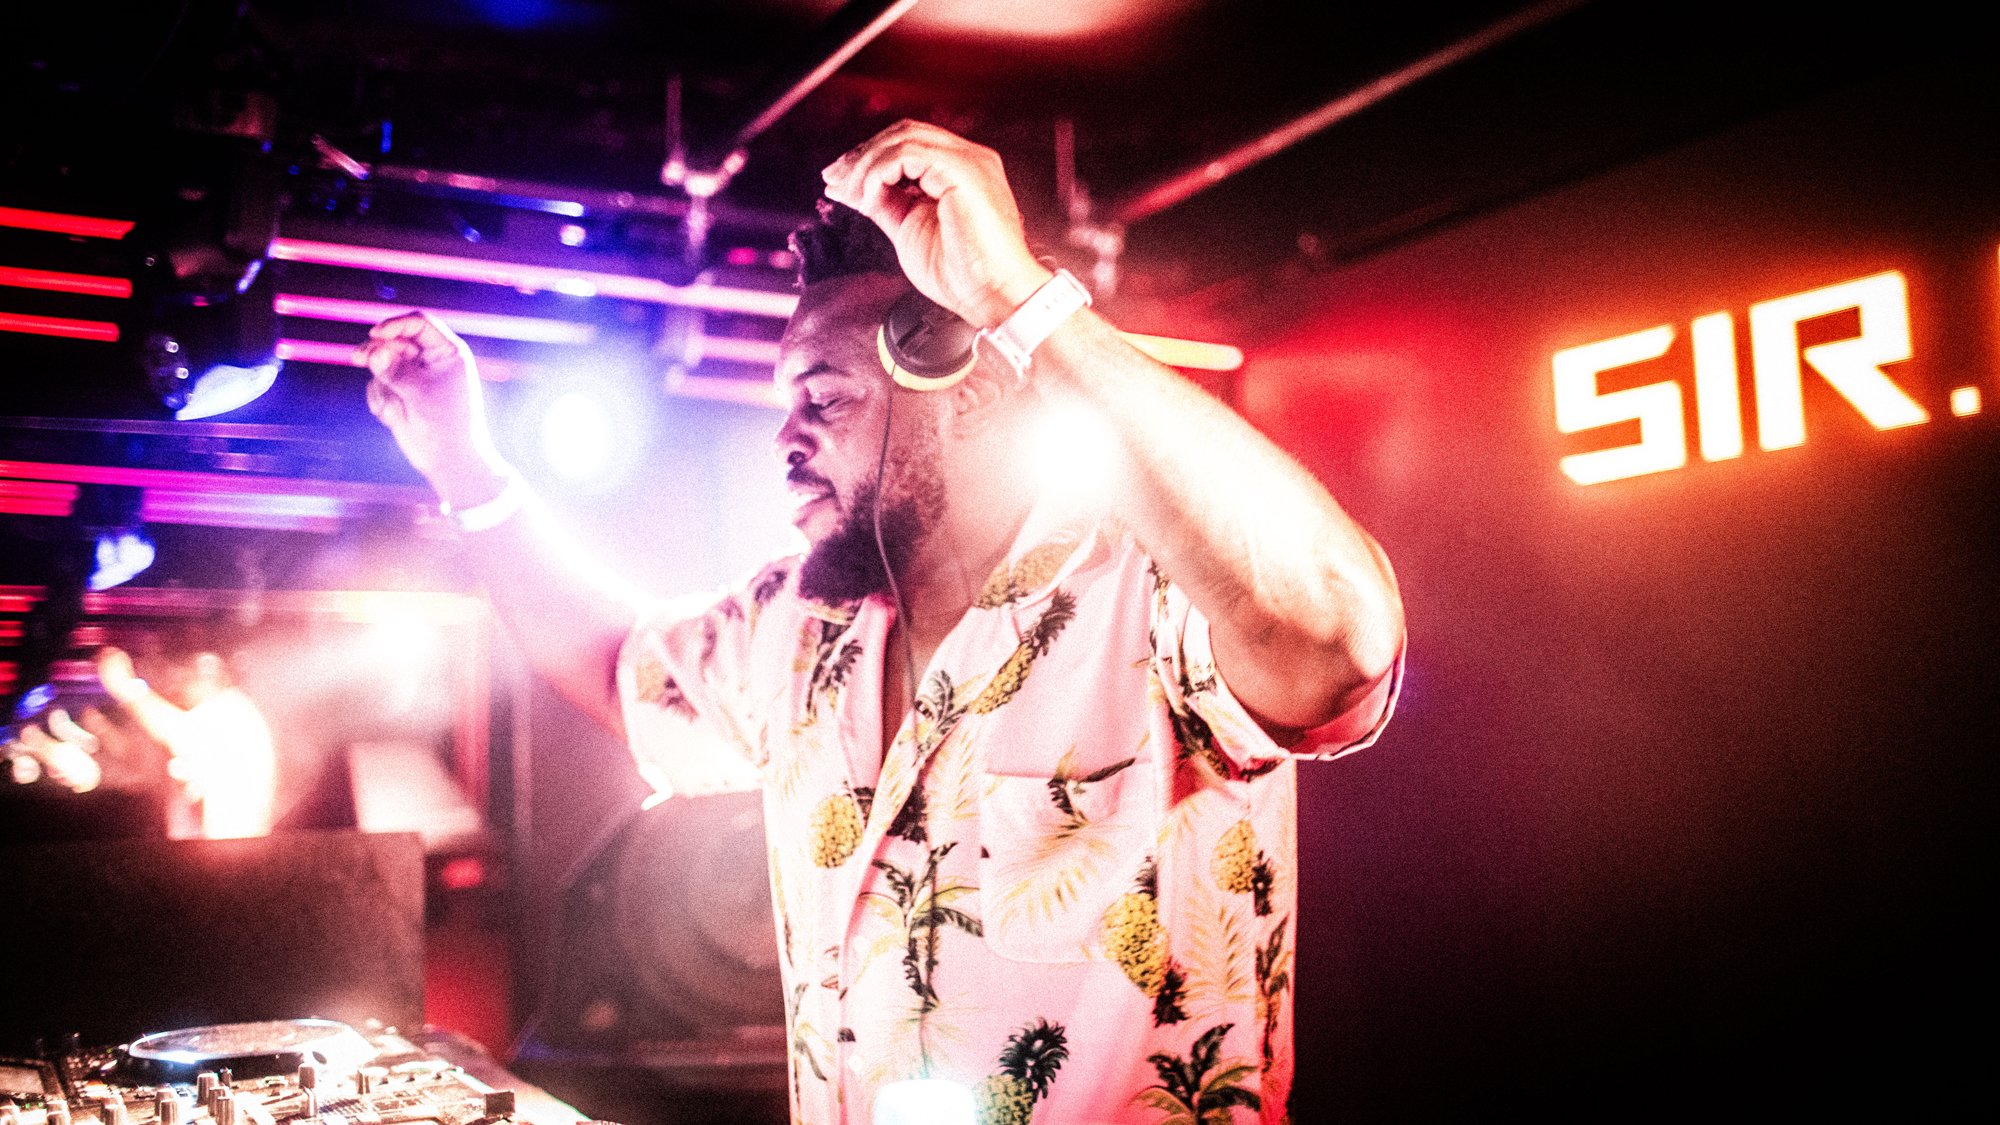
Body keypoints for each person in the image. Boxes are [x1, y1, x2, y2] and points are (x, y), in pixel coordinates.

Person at [360, 120, 1404, 1125]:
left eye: (823, 399)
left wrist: (1013, 298)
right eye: (784, 404)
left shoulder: (1151, 589)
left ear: (963, 385)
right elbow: (617, 670)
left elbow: (1337, 637)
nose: (785, 440)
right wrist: (466, 472)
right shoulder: (802, 627)